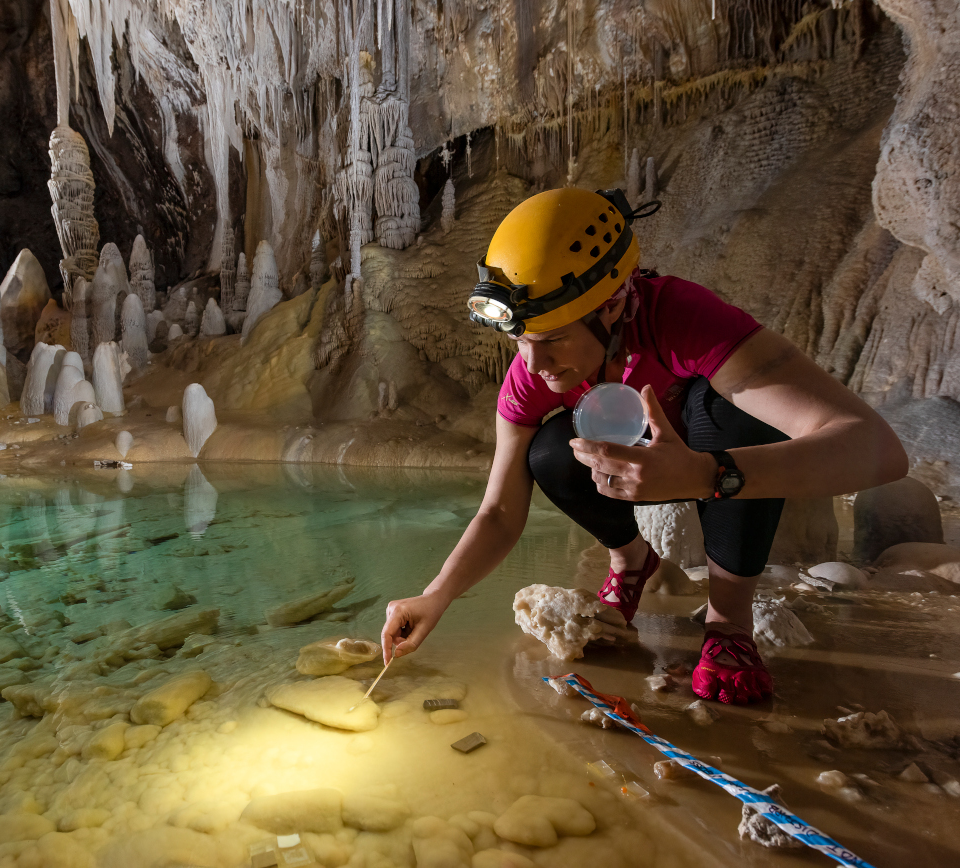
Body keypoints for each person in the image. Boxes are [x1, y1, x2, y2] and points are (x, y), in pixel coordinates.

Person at [380, 187, 907, 704]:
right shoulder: (531, 372)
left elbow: (879, 450)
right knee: (547, 453)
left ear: (610, 306)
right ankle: (632, 562)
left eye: (551, 339)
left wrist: (705, 474)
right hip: (645, 472)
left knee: (730, 411)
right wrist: (437, 594)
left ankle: (728, 626)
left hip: (716, 461)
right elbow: (497, 511)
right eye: (520, 341)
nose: (534, 364)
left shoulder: (682, 318)